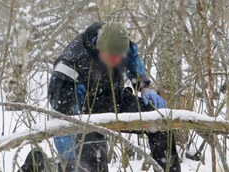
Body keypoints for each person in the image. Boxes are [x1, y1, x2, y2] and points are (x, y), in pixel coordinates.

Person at [48, 22, 181, 172]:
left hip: (114, 99)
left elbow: (131, 55)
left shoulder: (116, 38)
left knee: (159, 124)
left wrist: (143, 85)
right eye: (113, 56)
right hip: (84, 117)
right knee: (94, 160)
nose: (118, 61)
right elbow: (63, 121)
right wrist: (69, 161)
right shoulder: (69, 67)